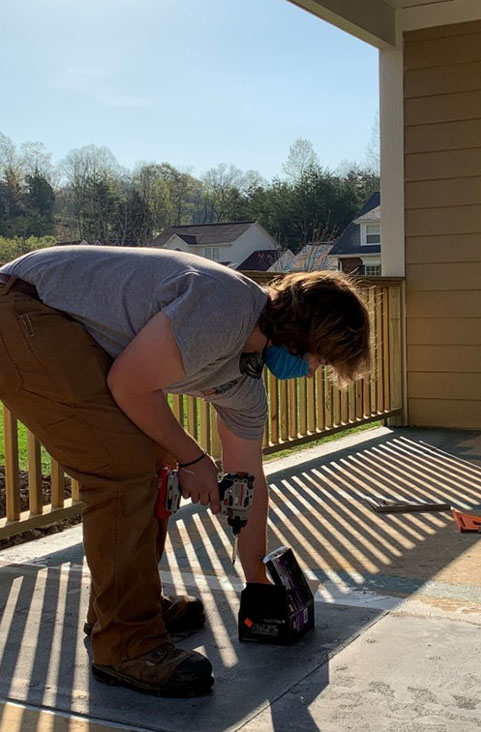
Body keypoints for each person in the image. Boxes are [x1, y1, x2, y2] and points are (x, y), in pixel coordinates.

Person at [0, 244, 370, 697]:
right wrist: (194, 459)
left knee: (153, 460)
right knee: (122, 470)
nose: (312, 372)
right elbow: (129, 383)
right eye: (321, 359)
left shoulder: (244, 382)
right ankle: (125, 644)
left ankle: (126, 606)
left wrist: (258, 581)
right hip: (22, 306)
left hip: (54, 319)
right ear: (302, 335)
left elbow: (248, 483)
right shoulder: (227, 308)